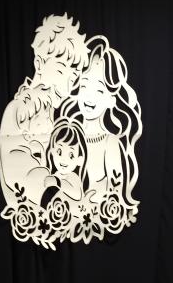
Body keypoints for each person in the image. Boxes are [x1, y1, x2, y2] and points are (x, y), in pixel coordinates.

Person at [0, 14, 89, 207]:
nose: (68, 85)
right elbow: (16, 163)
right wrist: (50, 188)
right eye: (61, 70)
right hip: (35, 206)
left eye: (73, 77)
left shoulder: (51, 115)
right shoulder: (19, 110)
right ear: (39, 64)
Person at [56, 36, 142, 216]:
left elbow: (116, 194)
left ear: (111, 99)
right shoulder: (66, 136)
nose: (90, 96)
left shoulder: (110, 143)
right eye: (84, 86)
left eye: (99, 90)